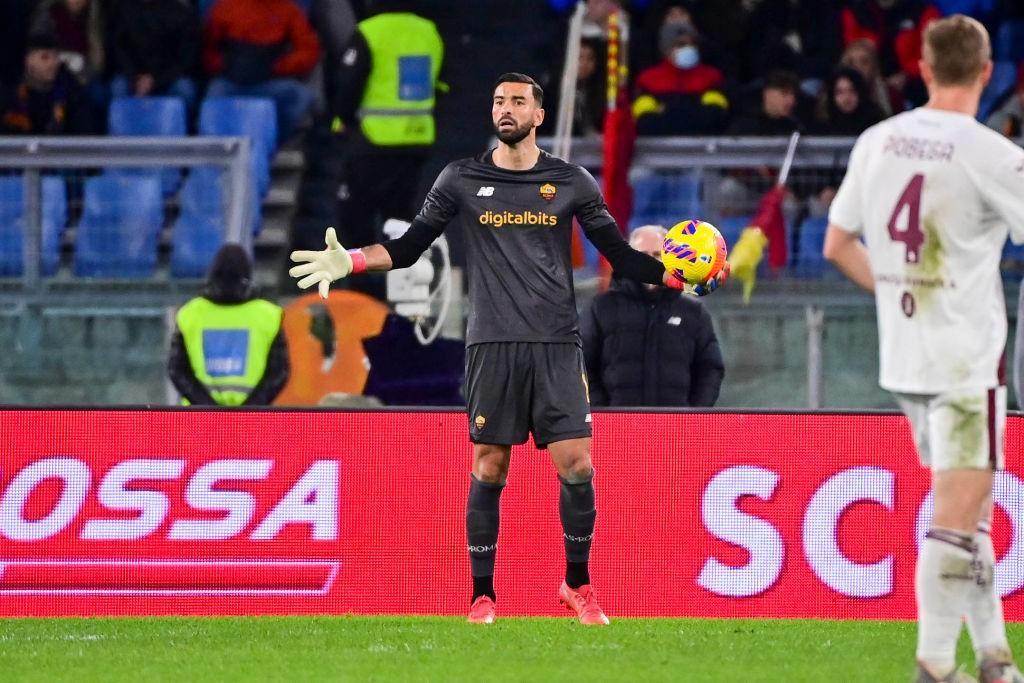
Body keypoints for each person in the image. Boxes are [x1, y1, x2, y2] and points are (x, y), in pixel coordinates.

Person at [289, 72, 729, 625]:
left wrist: (678, 277)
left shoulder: (571, 182)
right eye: (499, 100)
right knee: (490, 466)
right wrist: (349, 260)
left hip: (556, 343)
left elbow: (619, 253)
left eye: (518, 101)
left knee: (577, 463)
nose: (506, 109)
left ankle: (577, 586)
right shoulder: (461, 178)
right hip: (491, 343)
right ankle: (482, 595)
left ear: (538, 115)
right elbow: (406, 249)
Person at [823, 15, 1024, 683]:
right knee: (955, 518)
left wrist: (897, 291)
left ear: (926, 70)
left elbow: (836, 244)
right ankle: (936, 666)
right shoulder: (990, 151)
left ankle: (994, 658)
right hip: (965, 361)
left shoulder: (878, 140)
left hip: (905, 359)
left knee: (965, 513)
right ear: (988, 71)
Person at [330, 1, 445, 266]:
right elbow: (439, 84)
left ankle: (366, 292)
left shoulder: (370, 31)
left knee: (354, 216)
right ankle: (399, 288)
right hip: (417, 140)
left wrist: (344, 120)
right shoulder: (428, 31)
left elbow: (349, 84)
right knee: (399, 219)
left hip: (375, 139)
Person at [581, 225, 724, 407]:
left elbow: (710, 368)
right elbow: (583, 367)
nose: (649, 262)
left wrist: (693, 415)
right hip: (616, 427)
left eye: (657, 255)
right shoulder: (601, 308)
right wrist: (603, 411)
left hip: (677, 429)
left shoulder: (693, 311)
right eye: (642, 255)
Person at [169, 244, 290, 406]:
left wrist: (207, 406)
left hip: (198, 421)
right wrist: (250, 408)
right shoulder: (268, 316)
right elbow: (278, 373)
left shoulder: (189, 314)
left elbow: (177, 371)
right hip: (252, 422)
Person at [202, 0, 320, 144]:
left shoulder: (288, 10)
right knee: (211, 100)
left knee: (300, 97)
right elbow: (206, 49)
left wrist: (279, 67)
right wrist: (224, 64)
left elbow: (308, 51)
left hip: (268, 81)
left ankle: (269, 143)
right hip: (229, 82)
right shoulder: (224, 8)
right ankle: (214, 153)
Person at [632, 16, 729, 136]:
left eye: (693, 44)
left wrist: (666, 112)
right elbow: (645, 121)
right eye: (681, 44)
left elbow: (715, 116)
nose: (689, 48)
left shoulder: (712, 77)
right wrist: (694, 112)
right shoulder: (647, 80)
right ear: (667, 50)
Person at [107, 0, 201, 115]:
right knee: (118, 87)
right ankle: (122, 130)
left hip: (168, 77)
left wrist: (155, 80)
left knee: (185, 89)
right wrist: (135, 76)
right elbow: (119, 50)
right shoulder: (122, 10)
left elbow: (185, 59)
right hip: (133, 75)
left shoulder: (181, 12)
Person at [0, 32, 96, 135]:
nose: (53, 63)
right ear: (28, 61)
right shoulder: (10, 92)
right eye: (45, 57)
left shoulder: (71, 90)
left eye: (56, 57)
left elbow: (83, 135)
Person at [727, 69, 802, 136]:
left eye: (794, 95)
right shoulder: (744, 127)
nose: (792, 101)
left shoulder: (795, 127)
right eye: (784, 93)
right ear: (767, 94)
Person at [813, 67, 884, 136]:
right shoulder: (823, 125)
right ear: (832, 95)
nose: (846, 97)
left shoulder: (875, 123)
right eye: (840, 92)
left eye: (852, 90)